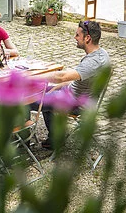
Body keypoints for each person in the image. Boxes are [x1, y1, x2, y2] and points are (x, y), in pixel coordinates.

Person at [32, 20, 110, 150]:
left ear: (87, 38)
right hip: (75, 94)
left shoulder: (93, 62)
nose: (75, 38)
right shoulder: (102, 54)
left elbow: (61, 76)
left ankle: (21, 141)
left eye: (77, 35)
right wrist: (57, 87)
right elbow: (76, 80)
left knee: (26, 99)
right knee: (44, 90)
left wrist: (32, 78)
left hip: (78, 103)